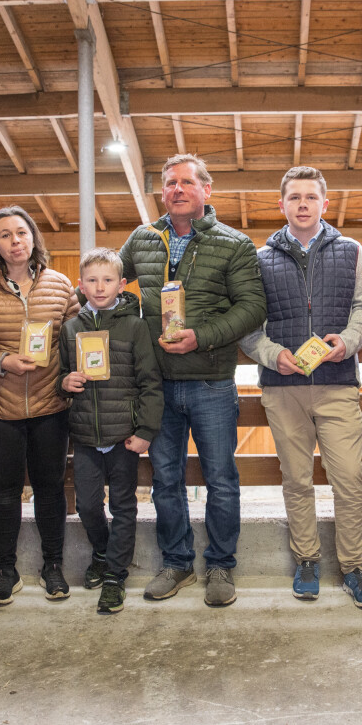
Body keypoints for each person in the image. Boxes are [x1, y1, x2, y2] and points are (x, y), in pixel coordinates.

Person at [119, 153, 266, 607]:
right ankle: (177, 563)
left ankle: (221, 566)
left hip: (210, 382)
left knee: (221, 477)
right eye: (169, 183)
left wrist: (200, 337)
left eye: (186, 182)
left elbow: (252, 307)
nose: (177, 190)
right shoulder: (142, 240)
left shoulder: (234, 244)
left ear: (207, 189)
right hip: (156, 383)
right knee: (165, 478)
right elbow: (108, 283)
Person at [239, 166, 362, 607]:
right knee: (297, 479)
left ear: (324, 202)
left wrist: (350, 341)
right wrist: (271, 354)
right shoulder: (258, 260)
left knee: (348, 477)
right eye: (294, 197)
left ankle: (354, 566)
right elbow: (248, 327)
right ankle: (306, 560)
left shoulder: (352, 251)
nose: (303, 204)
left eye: (311, 197)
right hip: (283, 388)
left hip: (337, 383)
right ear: (281, 204)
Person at [0, 206, 80, 605]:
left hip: (51, 404)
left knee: (50, 490)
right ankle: (6, 571)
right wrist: (1, 361)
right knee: (4, 490)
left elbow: (78, 338)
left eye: (22, 233)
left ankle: (53, 567)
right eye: (5, 235)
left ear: (33, 238)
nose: (15, 241)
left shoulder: (60, 284)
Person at [57, 248, 163, 614]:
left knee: (123, 507)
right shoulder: (70, 328)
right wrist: (64, 382)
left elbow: (149, 381)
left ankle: (116, 575)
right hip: (85, 436)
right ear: (81, 285)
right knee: (87, 505)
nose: (99, 288)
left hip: (123, 437)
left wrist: (146, 429)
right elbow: (61, 376)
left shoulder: (134, 327)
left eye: (107, 280)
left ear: (121, 283)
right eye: (92, 280)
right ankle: (101, 551)